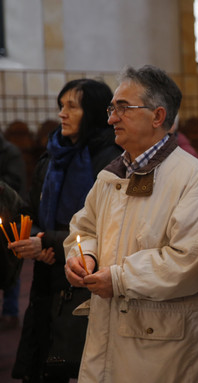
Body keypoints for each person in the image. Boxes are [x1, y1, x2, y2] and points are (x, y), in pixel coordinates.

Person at [63, 65, 198, 383]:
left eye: (123, 108)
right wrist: (84, 256)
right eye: (112, 108)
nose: (111, 118)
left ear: (157, 116)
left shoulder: (192, 180)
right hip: (111, 332)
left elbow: (196, 260)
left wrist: (121, 278)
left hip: (164, 347)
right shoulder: (111, 176)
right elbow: (84, 228)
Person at [10, 78, 122, 382]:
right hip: (47, 275)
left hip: (86, 274)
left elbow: (107, 226)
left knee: (82, 364)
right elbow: (34, 210)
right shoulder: (51, 158)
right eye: (61, 106)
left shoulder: (110, 161)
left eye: (72, 106)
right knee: (46, 363)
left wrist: (49, 243)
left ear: (95, 112)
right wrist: (29, 235)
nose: (62, 113)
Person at [0, 131, 26, 331]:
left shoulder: (10, 152)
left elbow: (15, 182)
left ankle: (10, 312)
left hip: (9, 214)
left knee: (10, 263)